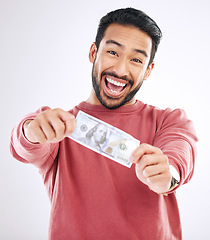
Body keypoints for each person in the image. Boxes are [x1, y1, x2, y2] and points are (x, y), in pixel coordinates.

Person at [10, 7, 197, 240]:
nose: (120, 70)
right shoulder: (60, 128)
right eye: (113, 52)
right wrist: (30, 130)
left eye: (136, 60)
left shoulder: (169, 121)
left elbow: (180, 152)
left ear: (148, 71)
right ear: (93, 52)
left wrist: (167, 174)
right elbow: (24, 144)